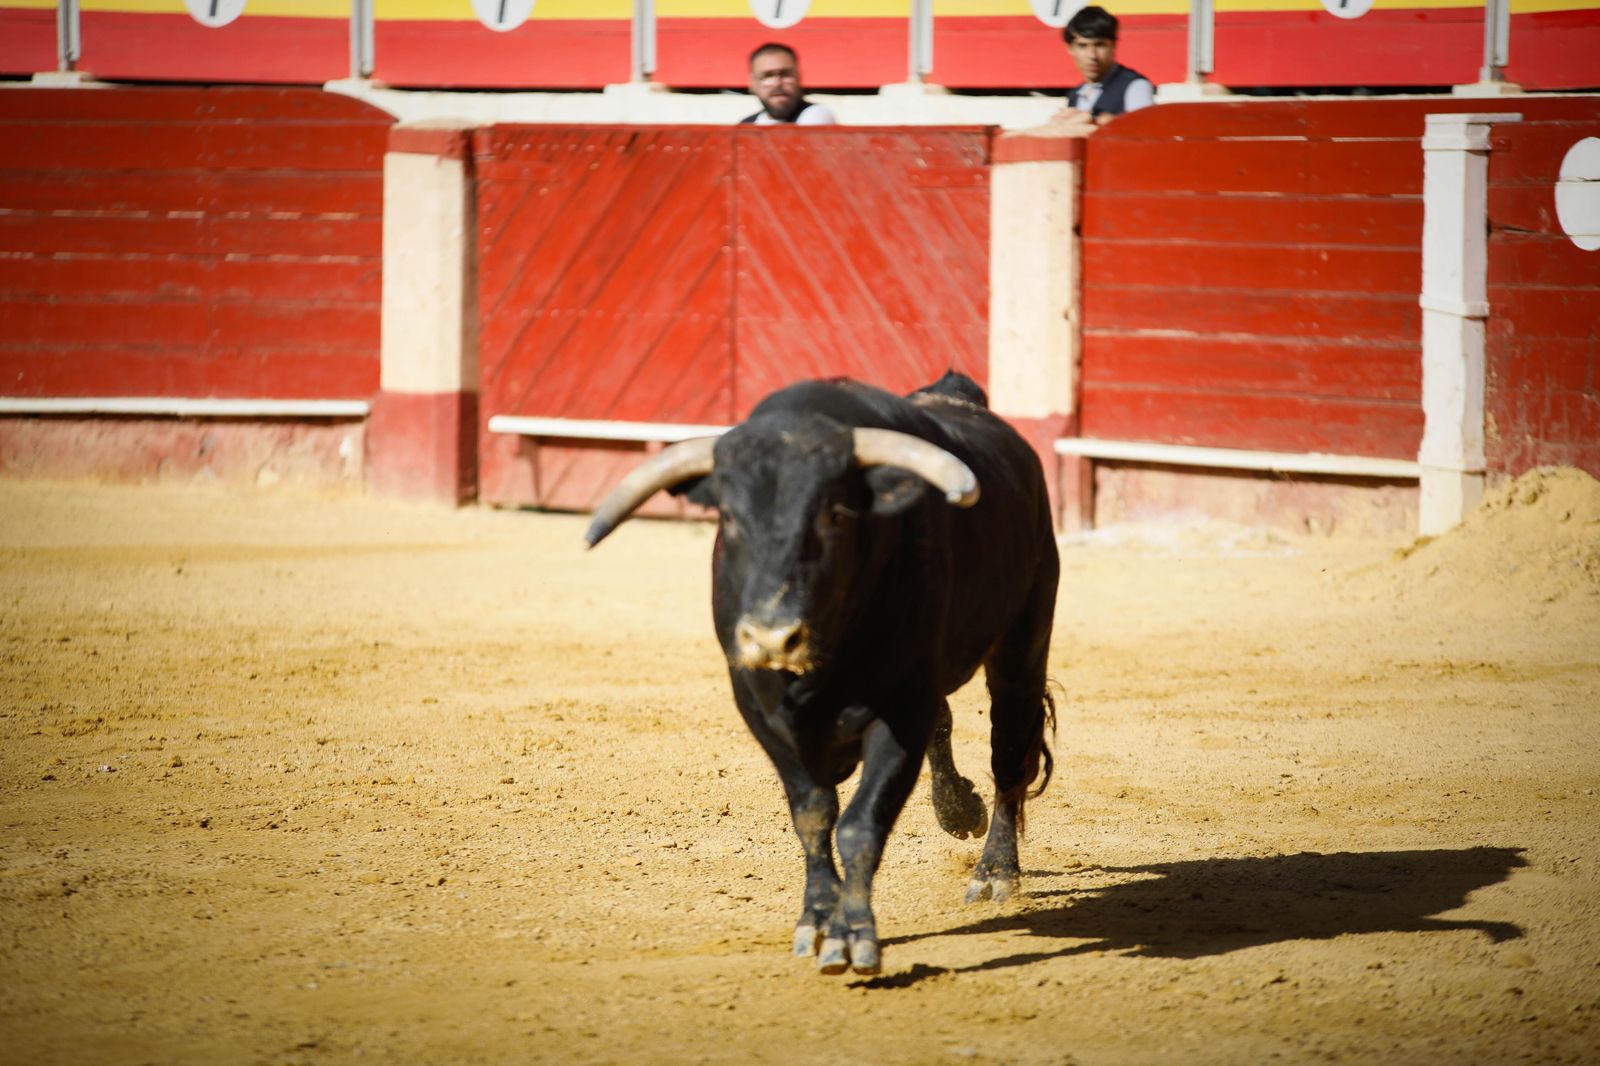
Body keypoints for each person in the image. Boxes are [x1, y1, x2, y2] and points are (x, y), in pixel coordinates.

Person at [1057, 6, 1153, 125]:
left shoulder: (1135, 86)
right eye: (1082, 46)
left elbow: (1144, 129)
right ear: (1070, 49)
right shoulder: (1076, 94)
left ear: (1113, 46)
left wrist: (1093, 118)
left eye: (1100, 45)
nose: (1092, 55)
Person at [741, 43, 837, 126]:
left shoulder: (817, 114)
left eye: (785, 74)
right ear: (752, 83)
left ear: (799, 77)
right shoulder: (746, 126)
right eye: (767, 76)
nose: (777, 83)